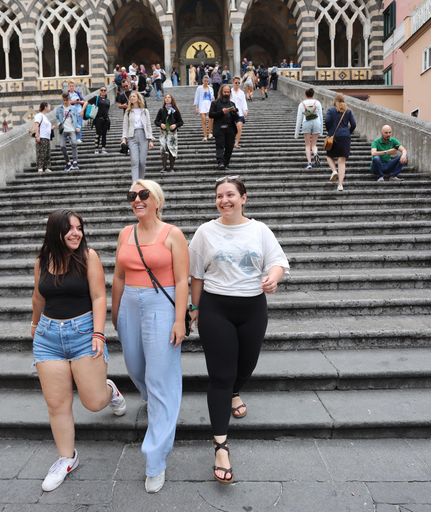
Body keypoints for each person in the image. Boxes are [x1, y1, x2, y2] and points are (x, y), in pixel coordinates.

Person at [188, 176, 289, 485]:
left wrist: (273, 277)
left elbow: (277, 262)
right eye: (220, 196)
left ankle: (235, 391)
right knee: (220, 375)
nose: (224, 200)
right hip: (215, 307)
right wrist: (194, 309)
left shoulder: (259, 230)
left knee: (245, 366)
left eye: (230, 194)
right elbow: (195, 275)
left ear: (244, 198)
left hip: (252, 307)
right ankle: (220, 445)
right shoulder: (205, 232)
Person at [31, 209, 127, 492]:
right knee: (57, 405)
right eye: (69, 229)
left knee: (94, 403)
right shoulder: (42, 261)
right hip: (48, 337)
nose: (76, 233)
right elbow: (38, 295)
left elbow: (99, 296)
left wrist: (99, 332)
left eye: (79, 228)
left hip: (84, 333)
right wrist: (35, 324)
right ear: (55, 232)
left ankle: (109, 390)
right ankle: (66, 458)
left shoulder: (88, 257)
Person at [111, 180, 189, 493]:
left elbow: (182, 280)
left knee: (161, 379)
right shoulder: (124, 234)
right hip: (129, 303)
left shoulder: (173, 234)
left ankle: (155, 459)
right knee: (134, 368)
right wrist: (115, 314)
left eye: (144, 195)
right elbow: (118, 276)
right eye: (132, 195)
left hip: (162, 303)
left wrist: (180, 319)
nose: (137, 200)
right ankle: (152, 398)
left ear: (157, 200)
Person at [324, 93, 356, 192]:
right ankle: (340, 185)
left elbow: (327, 121)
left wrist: (329, 131)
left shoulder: (330, 110)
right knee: (342, 162)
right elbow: (354, 124)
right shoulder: (348, 111)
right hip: (345, 137)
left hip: (334, 136)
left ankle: (334, 171)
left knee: (329, 156)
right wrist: (347, 132)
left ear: (335, 100)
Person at [121, 91, 154, 182]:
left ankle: (141, 181)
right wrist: (124, 139)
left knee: (142, 161)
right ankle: (135, 183)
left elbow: (148, 125)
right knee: (135, 161)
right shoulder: (128, 112)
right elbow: (125, 127)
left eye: (134, 96)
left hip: (143, 136)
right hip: (132, 136)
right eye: (131, 97)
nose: (132, 98)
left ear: (138, 98)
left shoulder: (145, 111)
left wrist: (150, 139)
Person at [209, 84, 239, 171]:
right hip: (219, 128)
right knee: (220, 146)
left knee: (229, 147)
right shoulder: (215, 103)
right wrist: (222, 112)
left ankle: (226, 163)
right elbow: (211, 114)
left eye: (228, 92)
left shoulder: (232, 103)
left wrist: (234, 112)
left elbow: (236, 118)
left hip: (230, 128)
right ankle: (220, 162)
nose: (226, 94)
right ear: (221, 92)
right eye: (225, 92)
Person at [154, 93, 183, 173]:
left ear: (171, 99)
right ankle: (164, 167)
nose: (167, 99)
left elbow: (181, 122)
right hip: (164, 132)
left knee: (172, 149)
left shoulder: (175, 111)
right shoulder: (161, 110)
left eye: (169, 97)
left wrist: (175, 125)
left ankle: (171, 168)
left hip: (172, 133)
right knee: (163, 148)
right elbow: (156, 121)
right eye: (166, 97)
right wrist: (161, 124)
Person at [294, 88, 323, 169]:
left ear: (305, 95)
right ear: (313, 95)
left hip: (306, 122)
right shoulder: (317, 103)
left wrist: (296, 134)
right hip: (316, 122)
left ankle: (309, 163)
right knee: (313, 144)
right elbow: (320, 117)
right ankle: (316, 153)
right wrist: (321, 131)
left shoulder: (302, 104)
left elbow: (299, 119)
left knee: (307, 145)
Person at [82, 87, 111, 155]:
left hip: (105, 119)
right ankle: (96, 148)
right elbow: (87, 102)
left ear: (106, 91)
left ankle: (103, 148)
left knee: (104, 134)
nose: (103, 91)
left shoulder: (107, 100)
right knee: (98, 133)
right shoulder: (96, 98)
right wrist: (82, 111)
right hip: (98, 119)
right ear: (100, 91)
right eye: (102, 90)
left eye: (104, 90)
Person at [56, 92, 81, 171]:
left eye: (66, 100)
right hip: (63, 130)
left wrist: (78, 127)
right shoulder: (59, 108)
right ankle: (68, 163)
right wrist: (58, 123)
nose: (65, 102)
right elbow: (57, 117)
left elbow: (77, 119)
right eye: (64, 100)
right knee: (62, 146)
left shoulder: (73, 108)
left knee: (74, 143)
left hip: (71, 129)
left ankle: (75, 162)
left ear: (69, 99)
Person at [33, 101, 53, 173]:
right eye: (49, 107)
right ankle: (40, 167)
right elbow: (36, 125)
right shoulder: (39, 115)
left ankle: (47, 167)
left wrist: (51, 128)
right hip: (41, 137)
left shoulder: (45, 117)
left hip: (47, 137)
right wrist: (37, 136)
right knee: (41, 152)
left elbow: (44, 127)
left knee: (47, 152)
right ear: (45, 107)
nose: (49, 108)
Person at [194, 75, 215, 141]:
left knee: (211, 119)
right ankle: (205, 136)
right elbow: (196, 98)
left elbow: (212, 98)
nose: (206, 82)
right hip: (202, 104)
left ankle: (210, 133)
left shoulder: (211, 88)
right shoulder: (199, 88)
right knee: (204, 121)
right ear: (203, 81)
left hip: (209, 104)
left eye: (207, 81)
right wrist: (196, 107)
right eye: (205, 81)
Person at [230, 76, 248, 149]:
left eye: (238, 83)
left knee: (239, 127)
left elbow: (244, 102)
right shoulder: (230, 92)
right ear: (233, 83)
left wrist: (245, 110)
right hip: (231, 112)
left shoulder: (242, 92)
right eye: (236, 82)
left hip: (240, 113)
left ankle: (236, 143)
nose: (237, 84)